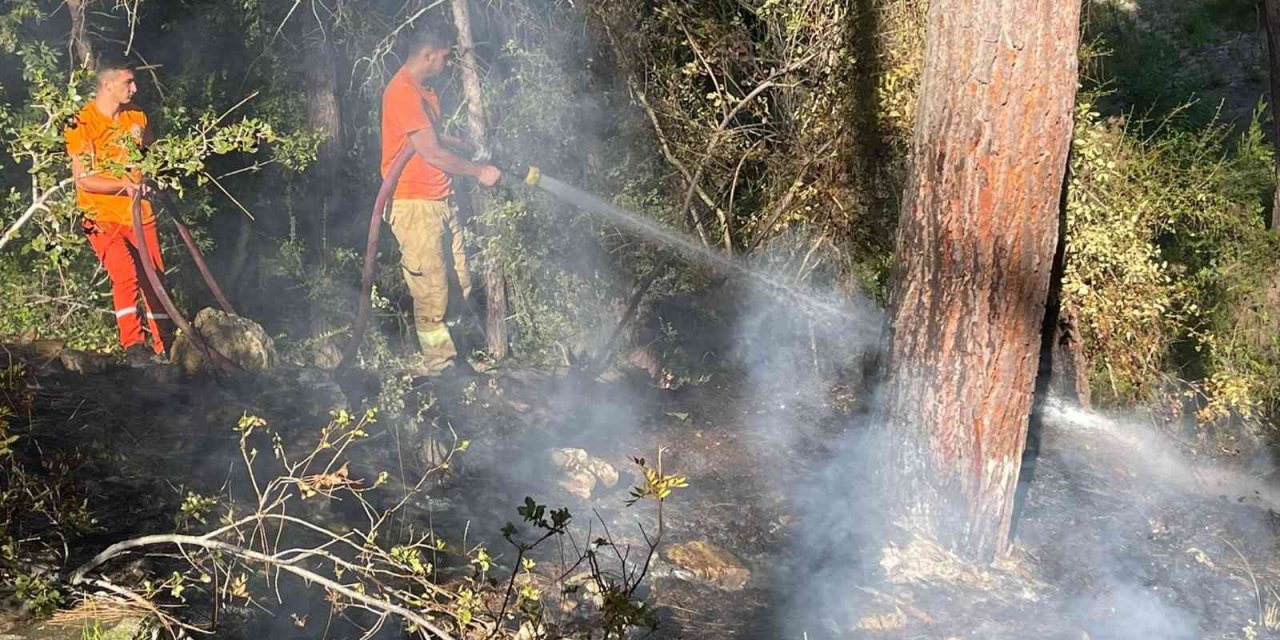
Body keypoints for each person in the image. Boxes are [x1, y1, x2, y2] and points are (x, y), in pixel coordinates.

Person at [381, 28, 501, 375]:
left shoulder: (425, 92)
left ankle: (457, 360)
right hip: (415, 204)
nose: (449, 63)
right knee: (433, 292)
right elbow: (431, 153)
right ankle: (440, 367)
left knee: (458, 283)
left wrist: (463, 143)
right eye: (446, 56)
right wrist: (478, 172)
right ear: (428, 55)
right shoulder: (402, 91)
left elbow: (429, 135)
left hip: (441, 200)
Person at [65, 60, 172, 366]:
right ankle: (134, 347)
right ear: (107, 85)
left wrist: (155, 176)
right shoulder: (81, 122)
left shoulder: (136, 116)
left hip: (140, 215)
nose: (134, 88)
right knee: (125, 273)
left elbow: (153, 154)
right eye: (128, 82)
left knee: (155, 278)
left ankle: (166, 345)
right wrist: (125, 185)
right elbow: (84, 178)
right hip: (99, 216)